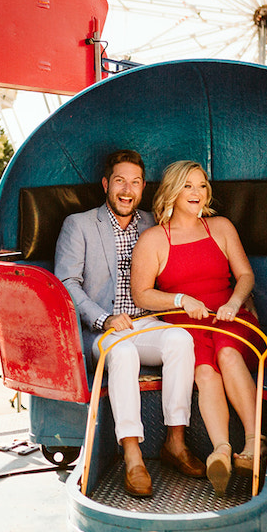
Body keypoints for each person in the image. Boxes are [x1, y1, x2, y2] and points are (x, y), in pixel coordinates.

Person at [55, 149, 199, 498]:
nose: (127, 189)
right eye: (120, 180)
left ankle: (175, 442)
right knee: (122, 355)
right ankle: (133, 453)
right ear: (106, 184)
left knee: (180, 339)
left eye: (135, 182)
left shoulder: (153, 224)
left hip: (146, 323)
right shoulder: (80, 224)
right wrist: (103, 319)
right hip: (103, 331)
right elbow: (66, 283)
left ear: (143, 187)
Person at [131, 160, 260, 496]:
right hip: (185, 324)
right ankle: (221, 450)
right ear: (173, 191)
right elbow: (141, 293)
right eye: (188, 185)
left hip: (229, 316)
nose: (197, 193)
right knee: (204, 373)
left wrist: (234, 302)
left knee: (229, 355)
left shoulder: (220, 227)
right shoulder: (154, 239)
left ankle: (251, 443)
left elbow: (245, 275)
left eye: (202, 186)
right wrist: (180, 300)